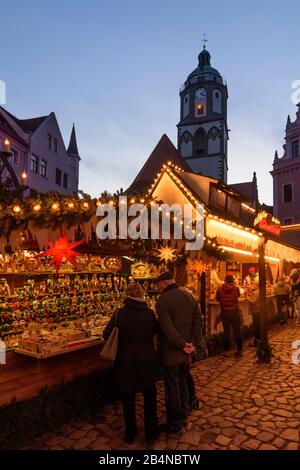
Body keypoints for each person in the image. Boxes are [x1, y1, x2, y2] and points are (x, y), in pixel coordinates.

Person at [103, 282, 160, 446]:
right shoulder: (149, 313)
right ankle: (151, 433)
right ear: (142, 295)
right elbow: (156, 331)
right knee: (150, 397)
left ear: (127, 295)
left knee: (128, 399)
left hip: (125, 360)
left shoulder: (119, 314)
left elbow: (106, 335)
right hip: (147, 359)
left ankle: (130, 433)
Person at [155, 271, 202, 434]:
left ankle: (175, 422)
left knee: (172, 388)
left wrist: (182, 344)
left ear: (164, 283)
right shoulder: (188, 295)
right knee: (182, 382)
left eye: (158, 285)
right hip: (185, 351)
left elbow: (167, 330)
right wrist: (192, 343)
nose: (157, 288)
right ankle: (184, 412)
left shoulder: (163, 301)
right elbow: (198, 322)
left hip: (172, 352)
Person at [216, 274, 243, 357]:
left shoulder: (220, 289)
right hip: (235, 312)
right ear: (232, 281)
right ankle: (240, 350)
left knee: (226, 332)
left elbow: (218, 298)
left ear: (225, 280)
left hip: (225, 312)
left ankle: (227, 351)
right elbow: (238, 295)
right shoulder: (236, 288)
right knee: (237, 331)